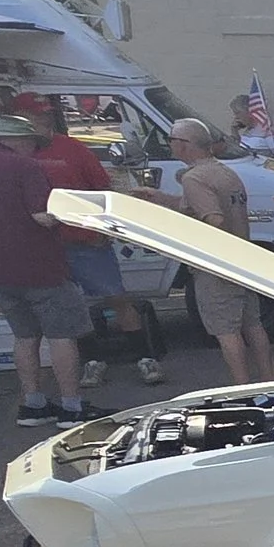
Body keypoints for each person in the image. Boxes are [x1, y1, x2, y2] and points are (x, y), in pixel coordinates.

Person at [0, 112, 92, 426]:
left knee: (24, 336)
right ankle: (72, 407)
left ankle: (34, 405)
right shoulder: (24, 166)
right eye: (33, 143)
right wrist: (79, 211)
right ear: (20, 140)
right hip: (39, 264)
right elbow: (42, 216)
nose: (35, 150)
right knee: (61, 336)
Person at [26, 99, 162, 387]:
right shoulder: (17, 154)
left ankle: (145, 357)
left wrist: (104, 228)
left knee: (115, 297)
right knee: (73, 306)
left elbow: (103, 188)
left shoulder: (72, 148)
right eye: (36, 117)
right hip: (45, 245)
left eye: (45, 116)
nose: (43, 122)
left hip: (84, 239)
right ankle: (92, 361)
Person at [169, 117, 274, 385]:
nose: (170, 146)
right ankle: (270, 380)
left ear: (184, 145)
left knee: (226, 332)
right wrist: (159, 200)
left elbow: (213, 218)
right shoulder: (225, 172)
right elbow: (200, 206)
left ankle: (243, 387)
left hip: (215, 267)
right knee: (253, 324)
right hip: (242, 259)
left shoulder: (194, 178)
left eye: (171, 140)